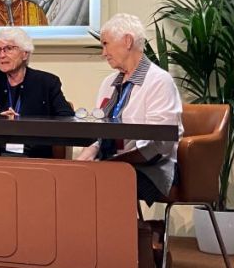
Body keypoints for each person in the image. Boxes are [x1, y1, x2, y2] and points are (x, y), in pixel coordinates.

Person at [76, 13, 184, 205]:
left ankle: (123, 233)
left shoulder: (159, 81)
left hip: (153, 168)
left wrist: (117, 162)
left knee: (103, 179)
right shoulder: (108, 83)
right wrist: (86, 156)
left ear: (127, 41)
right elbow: (99, 131)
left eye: (106, 44)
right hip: (113, 162)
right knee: (71, 176)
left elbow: (161, 145)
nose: (103, 53)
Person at [0, 26, 72, 157]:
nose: (2, 55)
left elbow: (67, 117)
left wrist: (20, 122)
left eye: (9, 49)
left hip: (34, 155)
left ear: (25, 54)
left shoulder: (46, 82)